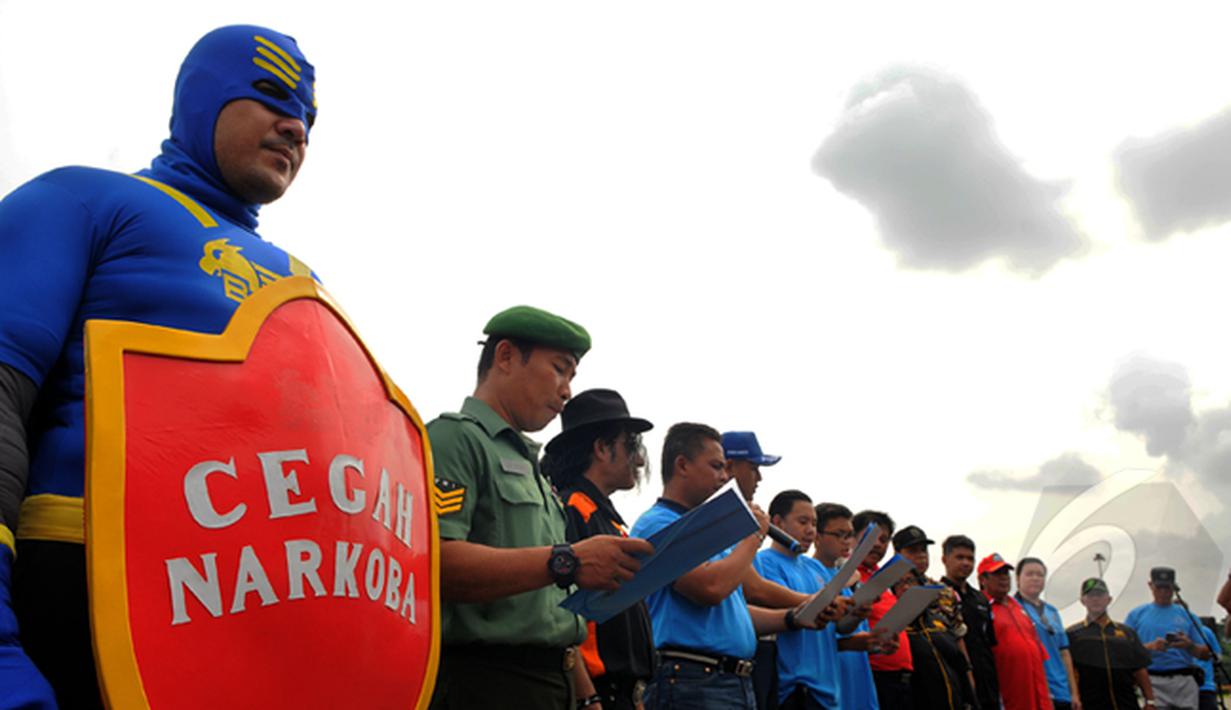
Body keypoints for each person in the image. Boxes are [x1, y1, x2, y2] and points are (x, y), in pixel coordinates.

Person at [0, 25, 320, 708]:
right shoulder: (86, 201)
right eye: (268, 96)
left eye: (309, 120)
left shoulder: (305, 286)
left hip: (251, 620)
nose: (295, 126)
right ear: (202, 102)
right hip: (79, 590)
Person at [429, 307, 654, 710]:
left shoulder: (532, 468)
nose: (566, 391)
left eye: (571, 376)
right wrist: (565, 560)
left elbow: (552, 612)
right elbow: (435, 563)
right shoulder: (454, 440)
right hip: (489, 682)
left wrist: (586, 697)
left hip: (556, 681)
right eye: (559, 369)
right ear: (506, 356)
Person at [631, 423, 820, 710]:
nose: (724, 477)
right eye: (717, 466)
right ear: (682, 465)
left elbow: (736, 610)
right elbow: (711, 588)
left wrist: (791, 618)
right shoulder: (658, 524)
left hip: (731, 681)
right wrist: (753, 535)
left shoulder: (713, 532)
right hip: (691, 680)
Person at [542, 388, 656, 710]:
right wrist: (588, 696)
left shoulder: (608, 519)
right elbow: (558, 610)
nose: (639, 459)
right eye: (631, 445)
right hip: (597, 693)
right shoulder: (571, 509)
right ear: (603, 448)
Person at [752, 490, 840, 709]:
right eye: (803, 522)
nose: (810, 530)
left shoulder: (816, 567)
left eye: (814, 523)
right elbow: (771, 601)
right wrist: (818, 601)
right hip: (794, 688)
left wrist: (848, 611)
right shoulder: (764, 562)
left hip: (828, 690)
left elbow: (837, 625)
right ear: (777, 522)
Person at [893, 525, 976, 710]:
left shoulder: (943, 591)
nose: (921, 555)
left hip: (948, 672)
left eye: (924, 550)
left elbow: (958, 636)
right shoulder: (888, 590)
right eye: (913, 551)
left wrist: (968, 677)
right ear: (897, 553)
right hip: (911, 678)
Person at [812, 502, 885, 710]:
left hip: (859, 675)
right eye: (840, 534)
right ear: (817, 536)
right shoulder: (811, 573)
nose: (848, 542)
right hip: (831, 680)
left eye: (850, 535)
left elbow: (847, 629)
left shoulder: (849, 581)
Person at [1124, 567, 1214, 710]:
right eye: (1159, 587)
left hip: (1184, 680)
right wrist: (1150, 647)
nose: (1164, 592)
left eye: (1168, 587)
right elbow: (1124, 651)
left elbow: (1205, 654)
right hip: (1152, 680)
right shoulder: (1136, 615)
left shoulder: (1188, 615)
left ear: (1174, 587)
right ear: (1150, 585)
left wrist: (1189, 646)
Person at [853, 510, 914, 710]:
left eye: (884, 539)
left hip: (901, 678)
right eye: (871, 536)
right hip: (873, 676)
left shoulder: (884, 577)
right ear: (853, 537)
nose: (878, 544)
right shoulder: (847, 575)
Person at [1066, 578, 1157, 710]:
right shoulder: (1072, 635)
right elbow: (1069, 671)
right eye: (1090, 595)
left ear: (1109, 599)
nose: (1095, 599)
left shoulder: (1127, 633)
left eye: (1100, 595)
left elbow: (1140, 669)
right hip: (1090, 703)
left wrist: (1150, 701)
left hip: (1126, 702)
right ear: (1082, 601)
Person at [979, 553, 1051, 710]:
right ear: (983, 580)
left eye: (1005, 573)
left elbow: (1039, 653)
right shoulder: (981, 609)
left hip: (1038, 696)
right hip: (1009, 698)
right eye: (997, 574)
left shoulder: (1019, 607)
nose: (1004, 578)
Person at [1015, 558, 1081, 710]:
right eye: (1029, 574)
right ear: (1018, 579)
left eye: (1040, 575)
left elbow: (1064, 652)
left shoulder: (1052, 612)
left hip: (1061, 691)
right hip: (1033, 691)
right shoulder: (1012, 608)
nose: (1035, 578)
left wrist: (1074, 693)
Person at [943, 535, 1000, 710]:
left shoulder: (981, 599)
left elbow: (990, 643)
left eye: (970, 558)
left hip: (988, 683)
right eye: (959, 557)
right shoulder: (938, 596)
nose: (966, 563)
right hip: (960, 683)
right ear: (945, 559)